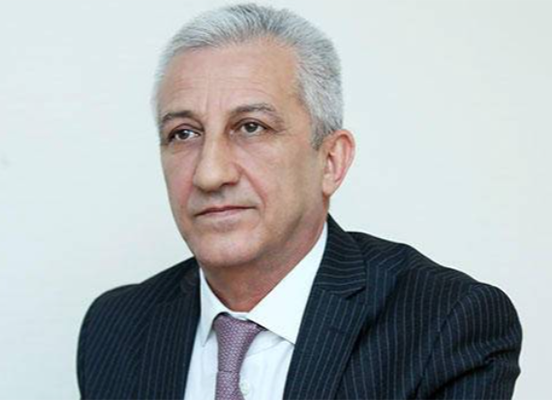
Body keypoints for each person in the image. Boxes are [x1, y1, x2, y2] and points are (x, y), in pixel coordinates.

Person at [76, 3, 522, 399]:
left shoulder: (444, 323)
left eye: (251, 127)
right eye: (184, 134)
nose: (210, 174)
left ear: (331, 161)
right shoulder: (116, 328)